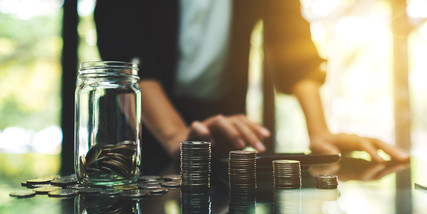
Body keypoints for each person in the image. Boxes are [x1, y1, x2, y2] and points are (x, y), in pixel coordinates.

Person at [94, 0, 410, 174]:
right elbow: (123, 46)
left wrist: (320, 132)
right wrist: (176, 136)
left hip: (223, 129)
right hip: (144, 126)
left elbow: (290, 38)